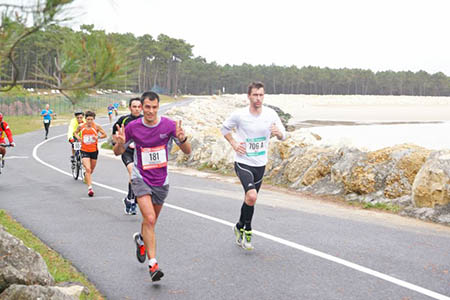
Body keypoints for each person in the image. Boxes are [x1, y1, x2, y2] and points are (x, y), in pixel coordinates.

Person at [113, 91, 191, 282]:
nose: (150, 111)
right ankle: (153, 264)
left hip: (161, 181)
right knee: (148, 217)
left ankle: (141, 240)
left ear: (158, 107)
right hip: (140, 178)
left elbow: (188, 152)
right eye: (147, 107)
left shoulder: (169, 125)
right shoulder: (133, 127)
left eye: (154, 107)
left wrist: (182, 139)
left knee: (151, 222)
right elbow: (117, 152)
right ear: (142, 106)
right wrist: (120, 144)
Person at [221, 81, 286, 250]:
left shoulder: (271, 114)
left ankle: (239, 225)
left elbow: (283, 135)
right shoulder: (239, 115)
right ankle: (248, 230)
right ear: (249, 96)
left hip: (260, 164)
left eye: (261, 95)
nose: (258, 98)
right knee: (252, 196)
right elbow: (224, 129)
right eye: (255, 95)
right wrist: (234, 144)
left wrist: (279, 133)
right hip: (243, 162)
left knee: (250, 199)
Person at [112, 97, 142, 215]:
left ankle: (129, 198)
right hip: (127, 152)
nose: (137, 109)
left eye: (139, 107)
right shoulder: (124, 120)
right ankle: (132, 200)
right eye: (134, 107)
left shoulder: (145, 120)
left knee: (137, 178)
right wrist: (117, 142)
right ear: (130, 108)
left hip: (140, 153)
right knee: (132, 173)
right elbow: (115, 131)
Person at [74, 111, 107, 197]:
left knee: (91, 170)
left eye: (91, 119)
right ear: (85, 119)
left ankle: (86, 176)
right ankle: (90, 188)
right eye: (88, 119)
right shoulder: (81, 126)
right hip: (84, 150)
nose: (89, 121)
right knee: (88, 169)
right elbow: (75, 133)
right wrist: (79, 138)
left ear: (94, 119)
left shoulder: (96, 126)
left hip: (94, 151)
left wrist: (98, 137)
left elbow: (105, 135)